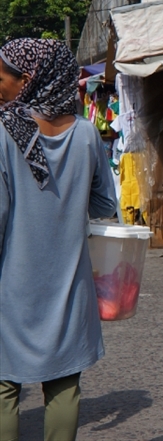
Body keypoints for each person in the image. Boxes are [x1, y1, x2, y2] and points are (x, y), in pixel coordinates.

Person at [0, 39, 117, 441]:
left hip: (11, 285)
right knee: (64, 384)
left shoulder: (4, 133)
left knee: (4, 385)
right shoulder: (86, 134)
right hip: (70, 284)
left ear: (27, 80)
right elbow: (104, 204)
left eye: (2, 77)